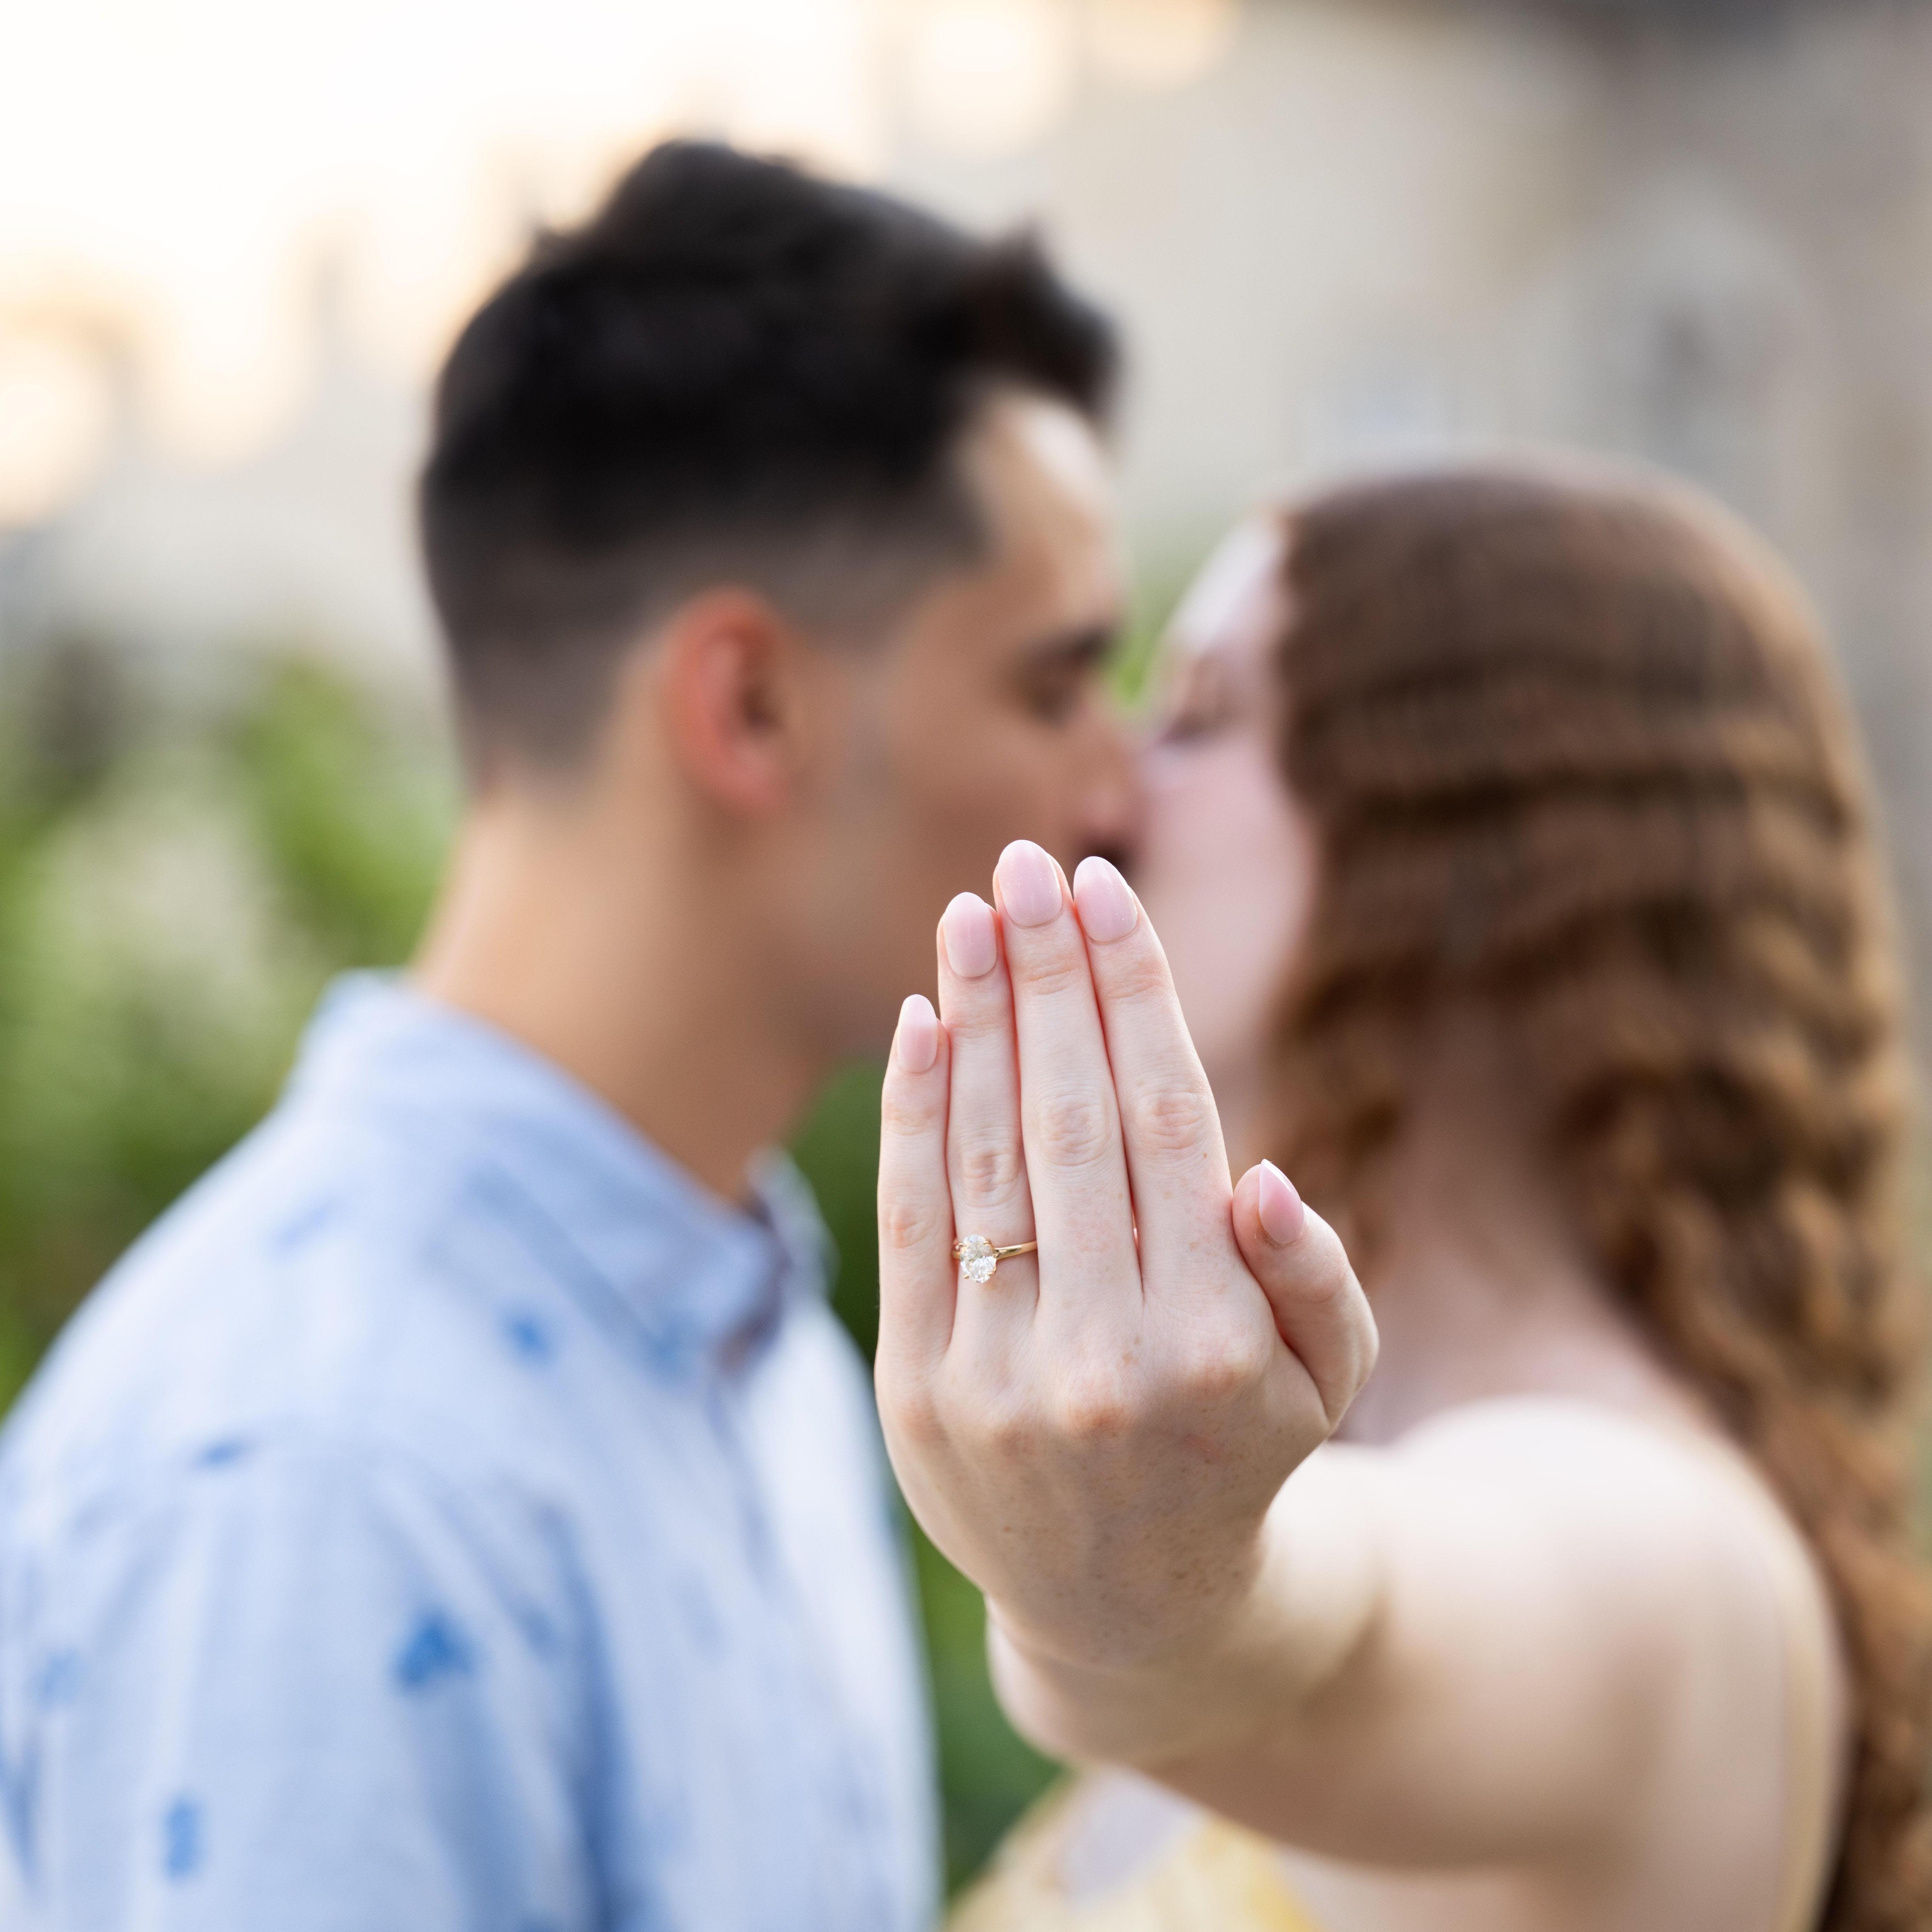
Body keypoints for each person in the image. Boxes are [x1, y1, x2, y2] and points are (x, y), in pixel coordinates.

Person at [0, 141, 1140, 1930]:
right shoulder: (320, 1473)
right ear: (749, 705)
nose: (1121, 782)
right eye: (1056, 681)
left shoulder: (756, 1341)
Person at [875, 462, 1932, 1932]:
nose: (1105, 789)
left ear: (1475, 846)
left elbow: (1343, 1624)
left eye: (1198, 717)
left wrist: (1142, 1602)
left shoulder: (1667, 1553)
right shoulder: (1416, 1466)